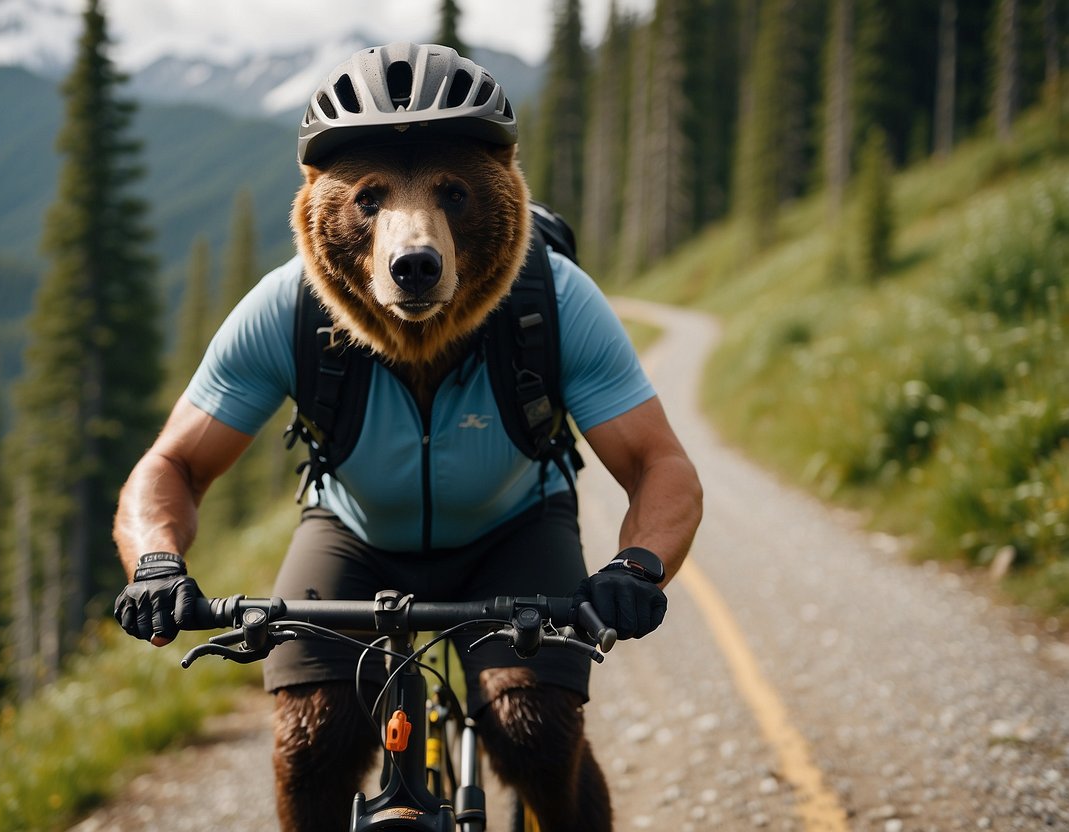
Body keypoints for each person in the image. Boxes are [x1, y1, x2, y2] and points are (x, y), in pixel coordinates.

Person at [113, 42, 702, 832]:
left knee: (538, 733)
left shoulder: (553, 301)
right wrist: (156, 561)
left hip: (515, 529)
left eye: (453, 195)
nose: (412, 241)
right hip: (353, 537)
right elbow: (173, 465)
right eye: (369, 198)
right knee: (310, 743)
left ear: (503, 196)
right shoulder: (285, 310)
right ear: (320, 203)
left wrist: (636, 565)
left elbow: (659, 465)